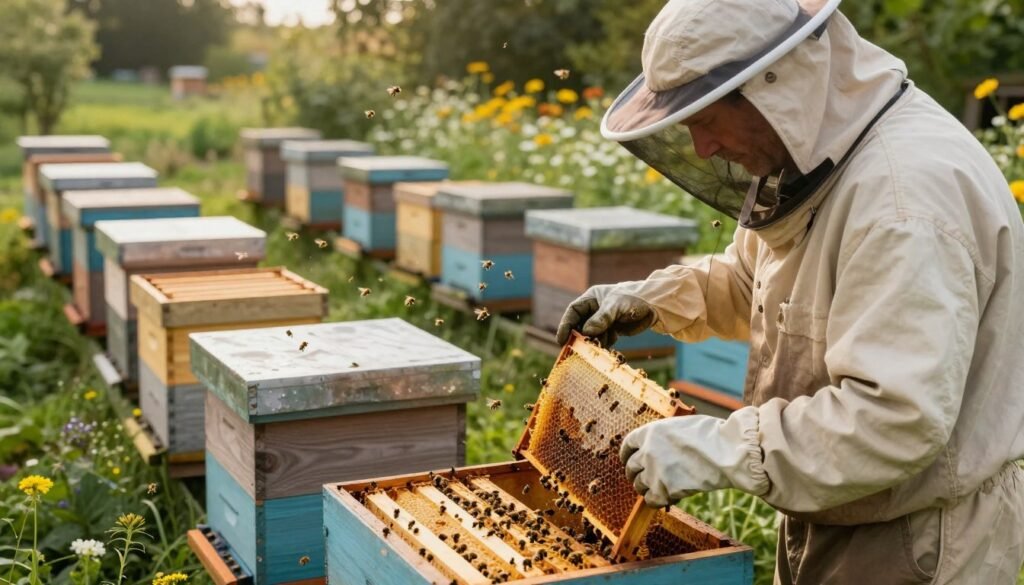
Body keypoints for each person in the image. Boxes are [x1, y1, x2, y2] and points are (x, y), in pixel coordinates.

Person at [555, 0, 1024, 583]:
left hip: (920, 544)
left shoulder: (904, 204)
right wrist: (656, 298)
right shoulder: (827, 156)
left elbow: (892, 419)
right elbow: (761, 282)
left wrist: (716, 449)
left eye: (705, 119)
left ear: (773, 88)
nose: (702, 149)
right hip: (844, 508)